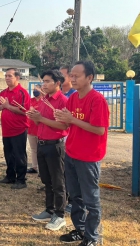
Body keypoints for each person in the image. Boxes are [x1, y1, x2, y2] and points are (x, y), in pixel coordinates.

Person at [54, 61, 109, 246]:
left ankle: (92, 238)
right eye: (72, 75)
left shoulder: (97, 100)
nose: (72, 78)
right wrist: (63, 118)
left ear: (90, 78)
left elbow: (99, 129)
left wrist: (71, 119)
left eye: (77, 75)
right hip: (72, 153)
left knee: (91, 200)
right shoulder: (73, 98)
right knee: (75, 197)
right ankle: (80, 230)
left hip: (89, 157)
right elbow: (68, 123)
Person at [27, 70, 68, 231]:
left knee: (58, 182)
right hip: (42, 144)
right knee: (46, 180)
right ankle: (49, 209)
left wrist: (41, 118)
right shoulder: (44, 100)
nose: (43, 84)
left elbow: (64, 126)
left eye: (47, 81)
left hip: (55, 145)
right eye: (43, 81)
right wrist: (35, 117)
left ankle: (60, 214)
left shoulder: (63, 101)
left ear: (57, 83)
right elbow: (41, 123)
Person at [0, 68, 30, 189]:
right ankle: (10, 176)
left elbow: (25, 111)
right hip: (6, 130)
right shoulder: (3, 92)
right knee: (8, 154)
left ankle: (21, 179)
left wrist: (8, 106)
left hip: (19, 129)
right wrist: (3, 106)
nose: (7, 78)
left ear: (17, 77)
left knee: (19, 155)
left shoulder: (22, 92)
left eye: (10, 76)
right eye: (6, 76)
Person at [60, 64, 77, 213]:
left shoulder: (73, 95)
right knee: (63, 170)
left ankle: (73, 200)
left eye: (63, 75)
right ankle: (63, 196)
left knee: (72, 171)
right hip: (61, 136)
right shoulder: (58, 93)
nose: (60, 78)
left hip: (71, 136)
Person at [27, 87, 42, 174]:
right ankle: (34, 167)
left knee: (41, 150)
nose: (34, 91)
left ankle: (41, 169)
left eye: (37, 89)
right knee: (33, 149)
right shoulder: (30, 100)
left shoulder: (44, 101)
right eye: (34, 89)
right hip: (30, 128)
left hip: (39, 128)